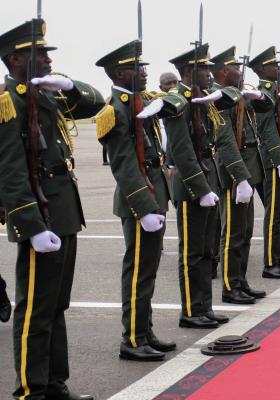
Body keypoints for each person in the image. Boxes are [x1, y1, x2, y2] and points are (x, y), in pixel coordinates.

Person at [0, 18, 105, 400]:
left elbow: (96, 102)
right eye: (38, 53)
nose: (47, 60)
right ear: (14, 59)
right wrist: (30, 224)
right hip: (40, 216)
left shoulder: (46, 94)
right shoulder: (7, 102)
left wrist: (71, 85)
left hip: (62, 210)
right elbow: (10, 171)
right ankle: (31, 389)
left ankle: (54, 383)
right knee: (34, 309)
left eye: (46, 53)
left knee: (56, 303)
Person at [94, 41, 181, 361]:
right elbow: (125, 164)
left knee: (149, 269)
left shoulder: (139, 102)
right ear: (119, 72)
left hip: (153, 193)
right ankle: (131, 338)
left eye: (143, 67)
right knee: (138, 270)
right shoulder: (114, 110)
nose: (144, 72)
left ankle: (144, 330)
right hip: (138, 200)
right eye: (136, 67)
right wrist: (144, 206)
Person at [162, 43, 243, 329]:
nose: (210, 73)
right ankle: (190, 311)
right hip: (192, 185)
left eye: (210, 68)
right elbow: (182, 151)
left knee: (208, 250)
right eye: (204, 69)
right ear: (188, 71)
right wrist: (201, 188)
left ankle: (204, 307)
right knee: (192, 253)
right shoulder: (176, 102)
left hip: (208, 179)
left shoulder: (203, 97)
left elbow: (233, 96)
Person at [209, 46, 266, 304]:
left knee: (244, 231)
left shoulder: (236, 95)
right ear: (223, 71)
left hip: (247, 171)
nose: (240, 71)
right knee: (232, 232)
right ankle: (230, 287)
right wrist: (240, 177)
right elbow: (226, 141)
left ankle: (241, 281)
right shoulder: (218, 98)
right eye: (235, 68)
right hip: (234, 173)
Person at [247, 46, 280, 279]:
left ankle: (277, 259)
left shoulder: (276, 90)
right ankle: (270, 263)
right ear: (261, 69)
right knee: (275, 213)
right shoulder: (262, 94)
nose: (277, 67)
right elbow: (267, 131)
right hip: (274, 160)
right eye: (272, 65)